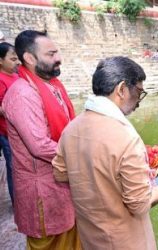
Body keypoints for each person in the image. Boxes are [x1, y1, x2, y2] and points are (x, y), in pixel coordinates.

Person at [52, 56, 158, 249]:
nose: (138, 102)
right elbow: (140, 205)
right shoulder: (126, 137)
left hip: (90, 236)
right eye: (139, 92)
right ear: (122, 89)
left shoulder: (71, 129)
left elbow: (60, 173)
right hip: (125, 241)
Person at [2, 30, 82, 250]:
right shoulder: (23, 94)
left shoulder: (52, 85)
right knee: (50, 242)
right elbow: (39, 146)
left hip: (62, 180)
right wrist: (85, 155)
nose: (58, 58)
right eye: (51, 54)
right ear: (29, 58)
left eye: (57, 52)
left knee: (72, 237)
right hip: (43, 191)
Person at [0, 42, 20, 205]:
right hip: (7, 132)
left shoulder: (15, 75)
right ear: (0, 60)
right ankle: (17, 203)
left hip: (20, 130)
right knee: (13, 167)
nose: (17, 62)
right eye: (12, 59)